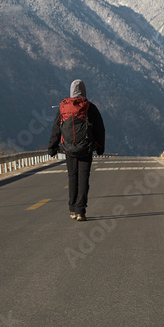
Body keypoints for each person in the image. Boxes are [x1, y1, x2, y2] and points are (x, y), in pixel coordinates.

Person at [48, 79, 105, 221]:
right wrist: (100, 147)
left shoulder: (63, 108)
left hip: (69, 149)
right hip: (85, 149)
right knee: (83, 178)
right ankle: (81, 211)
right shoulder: (89, 108)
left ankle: (72, 209)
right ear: (84, 91)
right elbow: (99, 129)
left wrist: (52, 148)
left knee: (72, 178)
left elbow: (56, 129)